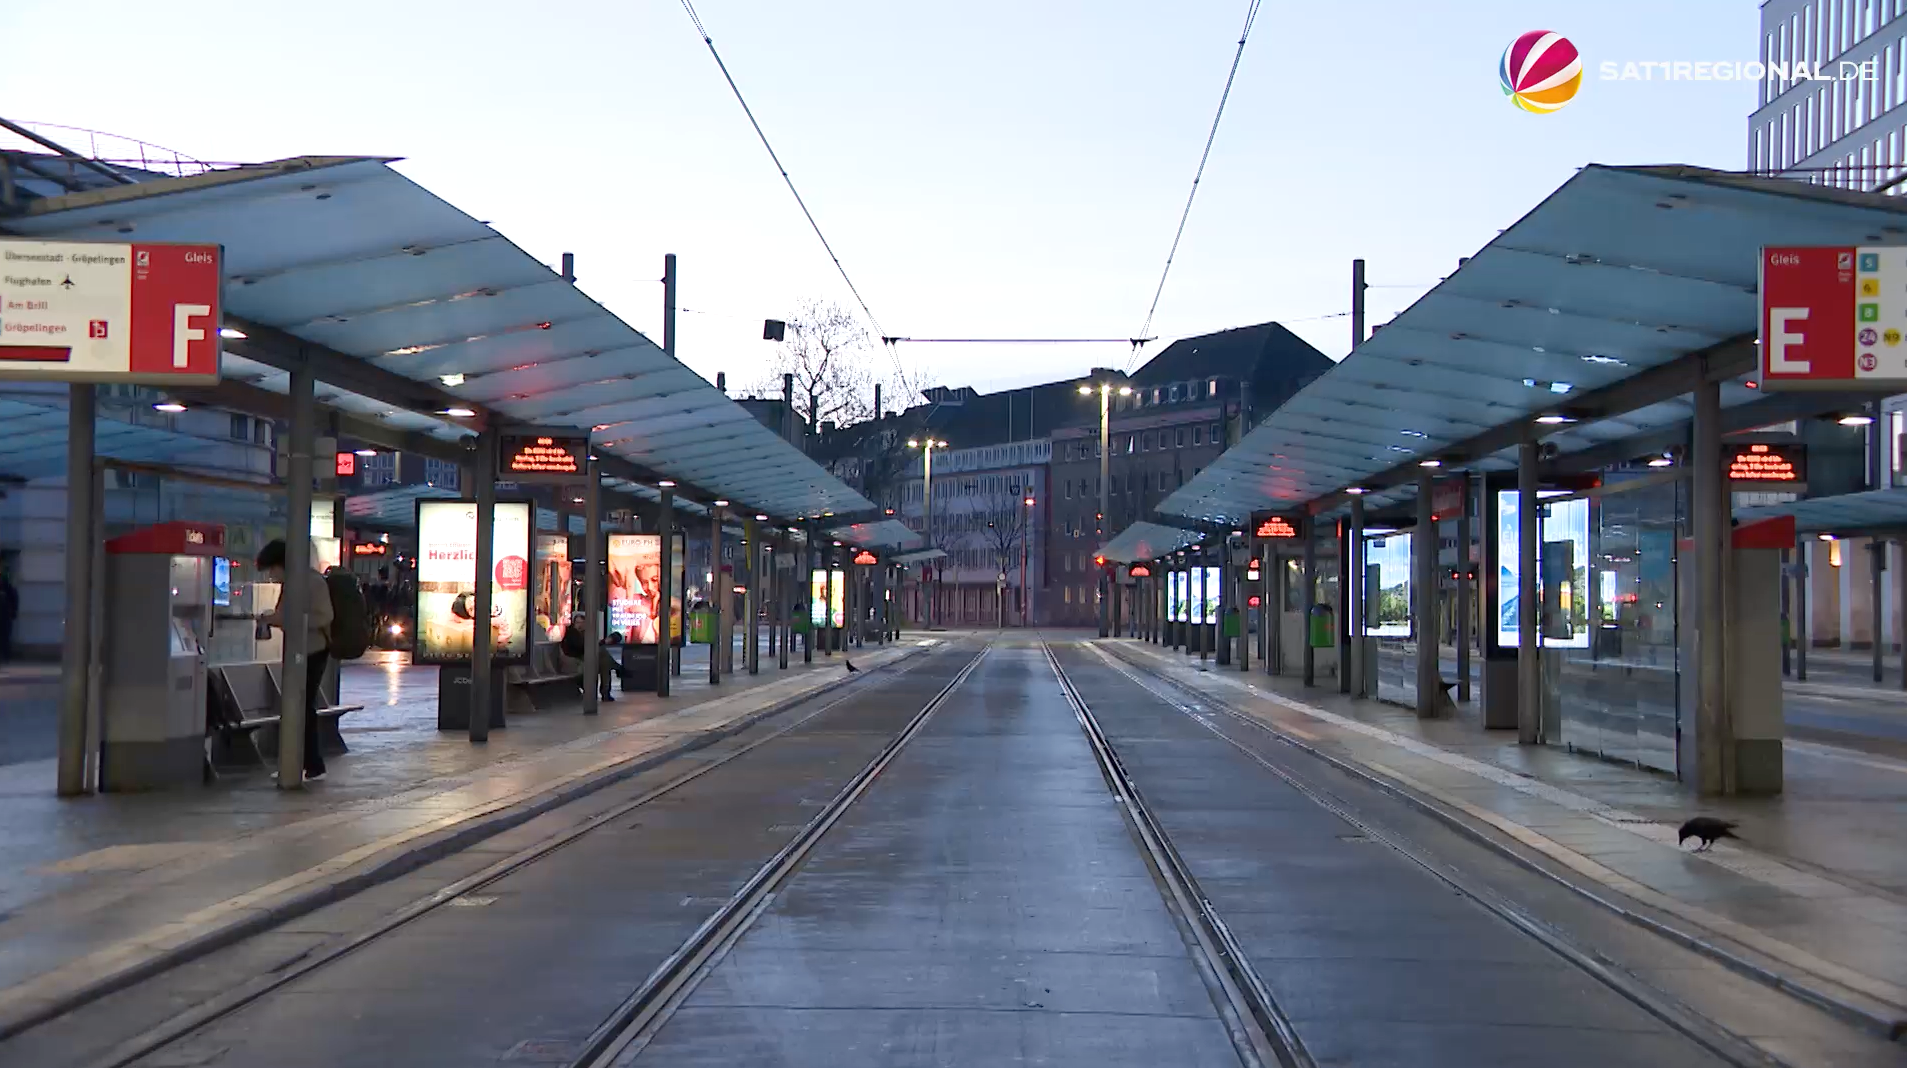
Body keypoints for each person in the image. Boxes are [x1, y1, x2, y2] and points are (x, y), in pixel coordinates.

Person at [256, 539, 335, 782]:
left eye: (272, 569)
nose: (271, 575)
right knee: (300, 707)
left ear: (282, 564)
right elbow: (286, 614)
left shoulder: (311, 582)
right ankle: (305, 763)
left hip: (313, 651)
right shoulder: (293, 584)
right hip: (300, 651)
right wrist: (276, 618)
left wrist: (289, 620)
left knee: (301, 707)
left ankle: (308, 764)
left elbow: (323, 616)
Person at [560, 610, 615, 702]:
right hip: (575, 661)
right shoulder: (572, 633)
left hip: (585, 659)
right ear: (573, 624)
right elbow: (582, 647)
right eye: (577, 623)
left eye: (582, 623)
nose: (580, 625)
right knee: (603, 658)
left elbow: (588, 648)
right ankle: (616, 672)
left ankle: (606, 690)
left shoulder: (586, 633)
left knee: (604, 663)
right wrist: (601, 643)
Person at [0, 567, 17, 663]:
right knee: (5, 638)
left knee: (5, 638)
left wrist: (13, 614)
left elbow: (14, 602)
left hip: (6, 617)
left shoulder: (9, 589)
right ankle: (5, 656)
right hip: (7, 617)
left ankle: (5, 656)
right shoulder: (10, 589)